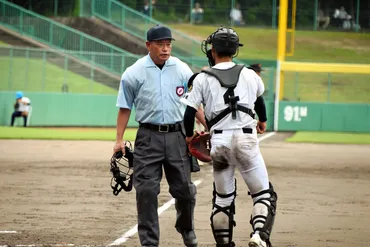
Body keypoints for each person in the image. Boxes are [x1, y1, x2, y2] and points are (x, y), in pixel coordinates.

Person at [181, 27, 278, 247]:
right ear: (235, 51)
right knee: (263, 195)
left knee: (223, 200)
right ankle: (259, 235)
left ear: (213, 50)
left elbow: (188, 114)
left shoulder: (203, 78)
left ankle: (224, 244)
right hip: (246, 141)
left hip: (220, 143)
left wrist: (188, 138)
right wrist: (262, 120)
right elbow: (259, 100)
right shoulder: (250, 74)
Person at [114, 24, 207, 247]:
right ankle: (149, 243)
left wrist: (209, 126)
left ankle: (186, 228)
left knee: (185, 190)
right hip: (148, 136)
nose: (165, 49)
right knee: (145, 190)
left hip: (178, 136)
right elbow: (125, 107)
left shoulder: (182, 69)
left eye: (168, 44)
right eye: (160, 44)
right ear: (148, 45)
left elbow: (195, 104)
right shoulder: (134, 73)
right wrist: (118, 140)